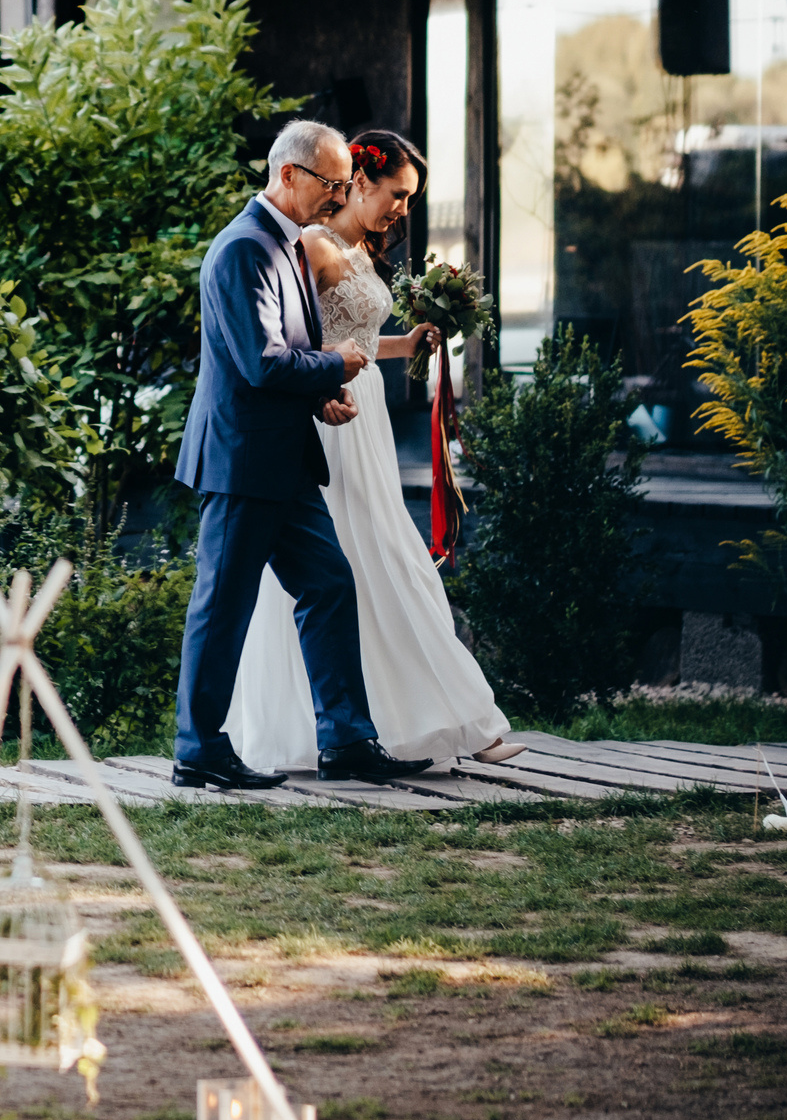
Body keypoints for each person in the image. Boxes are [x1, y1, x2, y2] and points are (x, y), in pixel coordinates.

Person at [226, 130, 528, 771]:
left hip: (368, 420)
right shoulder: (313, 246)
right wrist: (323, 389)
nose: (402, 210)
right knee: (374, 560)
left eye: (411, 199)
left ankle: (417, 722)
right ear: (359, 181)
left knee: (377, 560)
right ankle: (452, 722)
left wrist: (404, 343)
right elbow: (291, 343)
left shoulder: (359, 250)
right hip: (333, 420)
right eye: (398, 194)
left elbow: (354, 340)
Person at [172, 118, 433, 788]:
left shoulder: (285, 243)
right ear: (288, 174)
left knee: (329, 584)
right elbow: (261, 363)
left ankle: (345, 740)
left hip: (284, 459)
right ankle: (198, 751)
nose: (339, 195)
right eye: (332, 182)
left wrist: (322, 397)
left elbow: (283, 354)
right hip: (242, 461)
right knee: (223, 604)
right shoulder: (244, 248)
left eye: (346, 184)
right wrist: (335, 366)